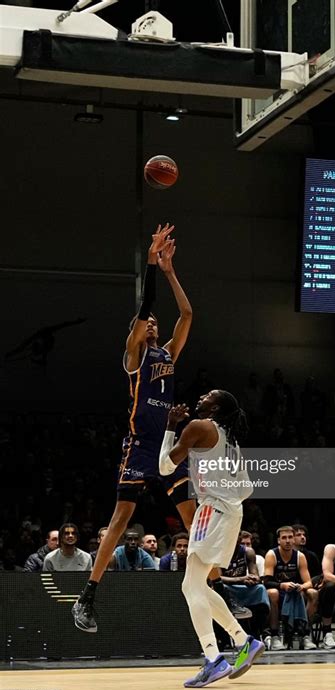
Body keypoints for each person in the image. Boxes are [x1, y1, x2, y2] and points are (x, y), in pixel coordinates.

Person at [73, 224, 192, 632]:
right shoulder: (133, 356)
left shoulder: (168, 354)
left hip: (169, 447)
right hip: (141, 445)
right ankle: (88, 594)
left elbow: (189, 315)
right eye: (147, 322)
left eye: (156, 322)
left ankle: (216, 589)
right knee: (122, 518)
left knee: (195, 522)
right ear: (138, 330)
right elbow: (146, 307)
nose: (153, 323)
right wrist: (152, 265)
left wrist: (172, 270)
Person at [159, 390, 265, 687]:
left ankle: (213, 658)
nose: (202, 396)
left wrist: (170, 426)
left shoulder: (198, 426)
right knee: (195, 585)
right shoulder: (230, 441)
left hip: (212, 510)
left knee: (191, 586)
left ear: (214, 407)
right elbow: (246, 489)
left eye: (208, 395)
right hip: (232, 513)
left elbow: (165, 467)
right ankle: (244, 641)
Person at [263, 526, 317, 651]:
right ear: (278, 541)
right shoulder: (272, 554)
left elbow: (309, 582)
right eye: (284, 538)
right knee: (272, 593)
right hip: (279, 590)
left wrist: (301, 586)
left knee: (313, 593)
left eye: (290, 537)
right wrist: (282, 585)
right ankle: (275, 636)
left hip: (295, 592)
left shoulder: (300, 556)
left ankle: (305, 634)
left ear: (294, 540)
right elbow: (266, 581)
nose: (287, 540)